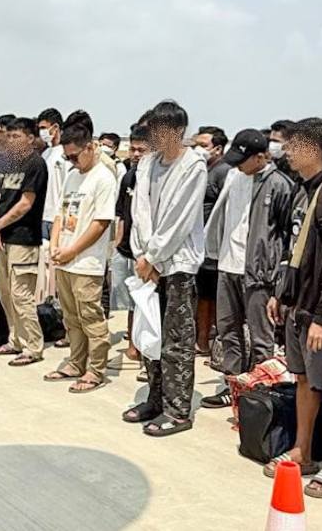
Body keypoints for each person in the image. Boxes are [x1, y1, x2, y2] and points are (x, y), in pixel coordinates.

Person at [264, 118, 322, 500]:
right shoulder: (303, 190)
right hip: (298, 308)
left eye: (294, 145)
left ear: (314, 149)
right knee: (303, 379)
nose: (286, 151)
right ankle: (302, 451)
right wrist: (281, 294)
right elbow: (295, 250)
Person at [122, 100, 207, 438]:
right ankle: (154, 399)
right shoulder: (147, 164)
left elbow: (179, 219)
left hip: (177, 264)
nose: (155, 137)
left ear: (178, 131)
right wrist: (143, 255)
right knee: (149, 335)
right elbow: (139, 212)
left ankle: (177, 410)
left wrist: (154, 257)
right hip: (147, 263)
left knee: (177, 340)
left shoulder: (193, 166)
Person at [201, 129, 293, 408]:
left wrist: (277, 275)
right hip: (227, 265)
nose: (238, 165)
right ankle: (233, 385)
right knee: (228, 330)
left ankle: (263, 393)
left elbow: (286, 235)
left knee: (261, 336)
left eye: (243, 160)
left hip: (258, 273)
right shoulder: (233, 176)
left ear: (261, 157)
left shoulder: (279, 184)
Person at [44, 124, 118, 393]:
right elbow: (60, 214)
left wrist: (73, 250)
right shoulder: (72, 176)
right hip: (64, 258)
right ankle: (76, 362)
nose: (72, 161)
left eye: (75, 156)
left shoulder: (103, 178)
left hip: (87, 263)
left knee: (91, 317)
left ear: (90, 147)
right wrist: (55, 245)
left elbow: (101, 223)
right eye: (67, 157)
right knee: (71, 317)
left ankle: (95, 370)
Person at [0, 117, 49, 367]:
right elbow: (0, 197)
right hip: (4, 238)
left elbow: (26, 203)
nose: (11, 140)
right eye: (9, 136)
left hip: (24, 239)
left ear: (30, 138)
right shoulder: (11, 163)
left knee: (21, 295)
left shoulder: (36, 164)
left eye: (16, 136)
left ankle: (32, 346)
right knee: (5, 293)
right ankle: (15, 340)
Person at [112, 124, 151, 363]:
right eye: (132, 149)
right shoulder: (128, 177)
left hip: (146, 254)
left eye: (141, 150)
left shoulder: (156, 180)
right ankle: (132, 346)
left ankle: (147, 352)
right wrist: (118, 246)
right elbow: (121, 215)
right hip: (126, 250)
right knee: (130, 303)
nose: (135, 154)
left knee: (147, 305)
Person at [193, 125, 230, 356]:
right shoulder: (200, 169)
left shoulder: (223, 171)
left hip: (215, 247)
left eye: (203, 145)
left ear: (217, 148)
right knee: (202, 295)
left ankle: (207, 342)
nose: (198, 149)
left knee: (210, 297)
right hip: (199, 245)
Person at [38, 108, 68, 242]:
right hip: (43, 216)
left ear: (55, 127)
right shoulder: (46, 153)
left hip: (57, 218)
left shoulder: (65, 154)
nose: (42, 132)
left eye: (44, 128)